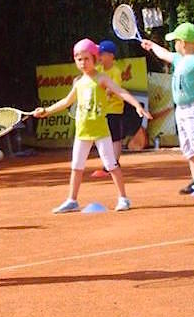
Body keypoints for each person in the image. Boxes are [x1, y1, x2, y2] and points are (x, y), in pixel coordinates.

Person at [33, 38, 152, 213]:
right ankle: (72, 200)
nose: (82, 62)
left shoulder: (102, 78)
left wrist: (137, 105)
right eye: (79, 59)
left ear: (95, 58)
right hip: (82, 131)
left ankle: (123, 198)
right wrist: (46, 110)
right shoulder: (78, 82)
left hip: (100, 131)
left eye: (86, 58)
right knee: (76, 166)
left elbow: (120, 91)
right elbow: (67, 101)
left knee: (111, 165)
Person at [141, 23, 194, 195]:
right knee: (188, 145)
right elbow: (164, 54)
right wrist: (151, 46)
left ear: (183, 42)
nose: (174, 44)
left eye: (176, 41)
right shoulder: (179, 58)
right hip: (181, 109)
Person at [90, 39, 125, 178]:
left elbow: (112, 89)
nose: (99, 56)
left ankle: (114, 163)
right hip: (102, 110)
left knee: (115, 138)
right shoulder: (98, 70)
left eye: (102, 53)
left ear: (111, 56)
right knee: (105, 137)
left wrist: (102, 92)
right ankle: (109, 163)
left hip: (114, 110)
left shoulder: (115, 71)